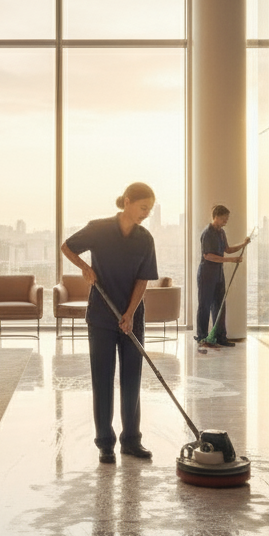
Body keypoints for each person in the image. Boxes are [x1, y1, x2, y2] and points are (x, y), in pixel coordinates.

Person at [62, 182, 159, 464]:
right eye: (143, 208)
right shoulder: (99, 228)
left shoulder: (145, 239)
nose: (146, 214)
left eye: (150, 210)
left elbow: (143, 280)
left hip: (132, 318)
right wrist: (85, 268)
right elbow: (67, 247)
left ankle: (131, 441)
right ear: (127, 202)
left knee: (131, 380)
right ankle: (105, 443)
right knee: (102, 380)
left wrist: (129, 314)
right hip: (102, 317)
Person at [195, 204, 251, 349]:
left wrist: (243, 244)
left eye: (227, 218)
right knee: (205, 306)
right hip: (207, 274)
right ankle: (202, 338)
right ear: (217, 217)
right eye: (224, 218)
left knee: (220, 306)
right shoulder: (207, 233)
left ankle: (220, 337)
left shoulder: (221, 233)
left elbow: (227, 249)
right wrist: (231, 261)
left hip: (218, 274)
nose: (226, 220)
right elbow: (208, 256)